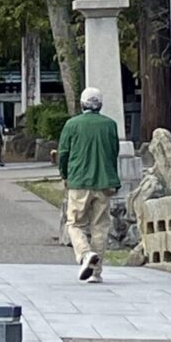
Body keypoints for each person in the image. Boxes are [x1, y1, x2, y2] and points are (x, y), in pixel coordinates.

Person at [56, 86, 122, 283]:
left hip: (79, 181)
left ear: (82, 104)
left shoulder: (72, 124)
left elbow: (63, 153)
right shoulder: (110, 125)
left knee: (75, 223)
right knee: (100, 226)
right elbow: (114, 152)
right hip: (104, 182)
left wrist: (64, 175)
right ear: (100, 104)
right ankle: (95, 272)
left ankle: (85, 254)